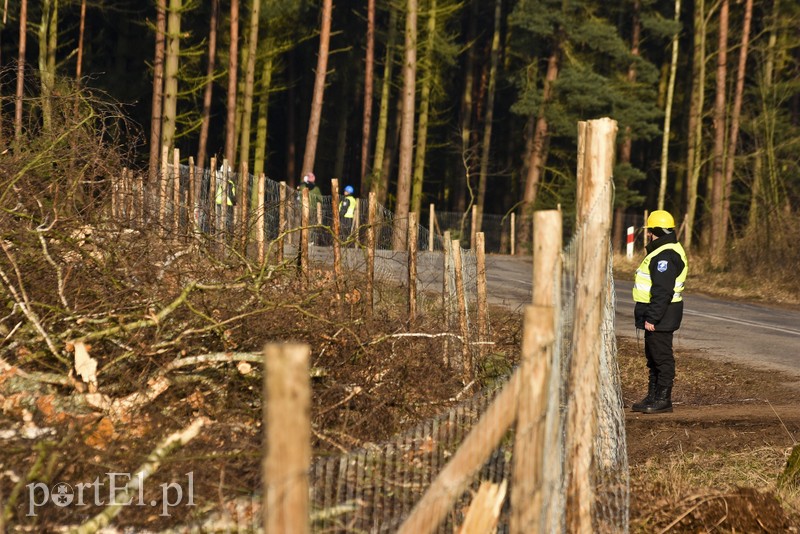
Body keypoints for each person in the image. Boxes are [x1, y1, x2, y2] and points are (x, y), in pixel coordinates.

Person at [631, 210, 688, 414]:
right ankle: (653, 396)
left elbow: (662, 291)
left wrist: (652, 317)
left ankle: (663, 399)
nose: (648, 235)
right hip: (658, 314)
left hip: (661, 315)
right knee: (653, 356)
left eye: (650, 231)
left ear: (656, 231)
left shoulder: (666, 255)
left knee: (662, 357)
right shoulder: (663, 250)